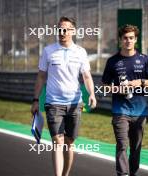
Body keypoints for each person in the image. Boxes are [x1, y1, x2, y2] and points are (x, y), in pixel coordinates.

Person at [31, 16, 96, 176]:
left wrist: (92, 94)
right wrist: (35, 100)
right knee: (58, 141)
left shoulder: (80, 52)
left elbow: (87, 76)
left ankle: (65, 174)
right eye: (59, 29)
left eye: (66, 29)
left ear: (73, 31)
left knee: (69, 142)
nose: (62, 32)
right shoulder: (48, 51)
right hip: (53, 103)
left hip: (75, 104)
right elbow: (41, 76)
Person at [101, 24, 148, 176]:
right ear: (120, 40)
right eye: (125, 38)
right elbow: (105, 87)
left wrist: (141, 82)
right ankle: (122, 174)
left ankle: (133, 173)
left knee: (136, 147)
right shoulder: (112, 61)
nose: (128, 41)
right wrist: (118, 89)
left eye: (131, 38)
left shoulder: (144, 59)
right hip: (120, 110)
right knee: (121, 144)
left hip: (140, 110)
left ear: (136, 40)